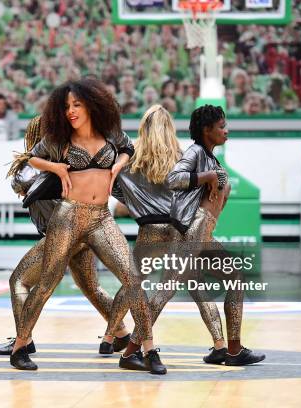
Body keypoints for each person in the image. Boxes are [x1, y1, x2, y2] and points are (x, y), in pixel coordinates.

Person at [10, 78, 165, 375]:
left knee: (133, 278)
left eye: (77, 105)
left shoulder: (111, 133)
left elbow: (127, 149)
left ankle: (148, 349)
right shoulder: (59, 138)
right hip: (68, 217)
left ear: (93, 104)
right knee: (47, 283)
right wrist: (55, 167)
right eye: (66, 106)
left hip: (100, 218)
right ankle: (20, 346)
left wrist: (119, 163)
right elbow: (33, 158)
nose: (70, 111)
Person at [103, 105, 234, 366]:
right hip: (178, 228)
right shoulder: (183, 156)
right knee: (195, 284)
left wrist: (135, 204)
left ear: (142, 128)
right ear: (171, 128)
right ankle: (220, 344)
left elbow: (114, 189)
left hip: (148, 230)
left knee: (134, 284)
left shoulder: (130, 159)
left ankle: (109, 338)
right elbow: (203, 192)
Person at [0, 116, 129, 356]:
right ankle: (121, 334)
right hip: (87, 231)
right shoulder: (61, 160)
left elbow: (21, 183)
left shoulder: (38, 166)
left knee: (19, 281)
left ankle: (23, 340)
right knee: (91, 287)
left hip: (63, 232)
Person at [165, 104, 265, 365]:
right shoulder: (196, 152)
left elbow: (216, 195)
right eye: (221, 127)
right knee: (165, 291)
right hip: (191, 232)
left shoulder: (211, 157)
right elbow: (173, 179)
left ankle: (231, 349)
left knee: (233, 278)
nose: (226, 131)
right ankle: (135, 349)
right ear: (207, 130)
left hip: (203, 233)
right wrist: (208, 176)